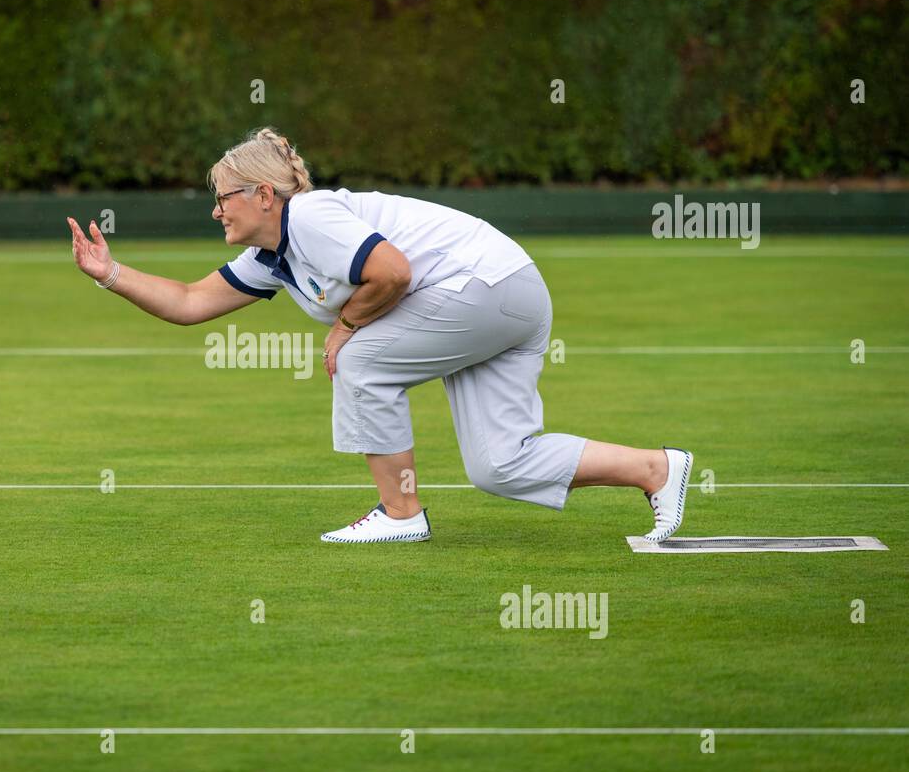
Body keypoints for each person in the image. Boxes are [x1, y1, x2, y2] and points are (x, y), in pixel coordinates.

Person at [68, 127, 692, 544]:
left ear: (263, 194)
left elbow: (393, 271)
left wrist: (344, 327)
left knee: (361, 360)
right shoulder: (271, 254)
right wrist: (111, 274)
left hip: (489, 286)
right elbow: (189, 302)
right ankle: (656, 468)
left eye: (222, 197)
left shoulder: (309, 216)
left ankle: (402, 514)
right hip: (504, 297)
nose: (215, 210)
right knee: (499, 465)